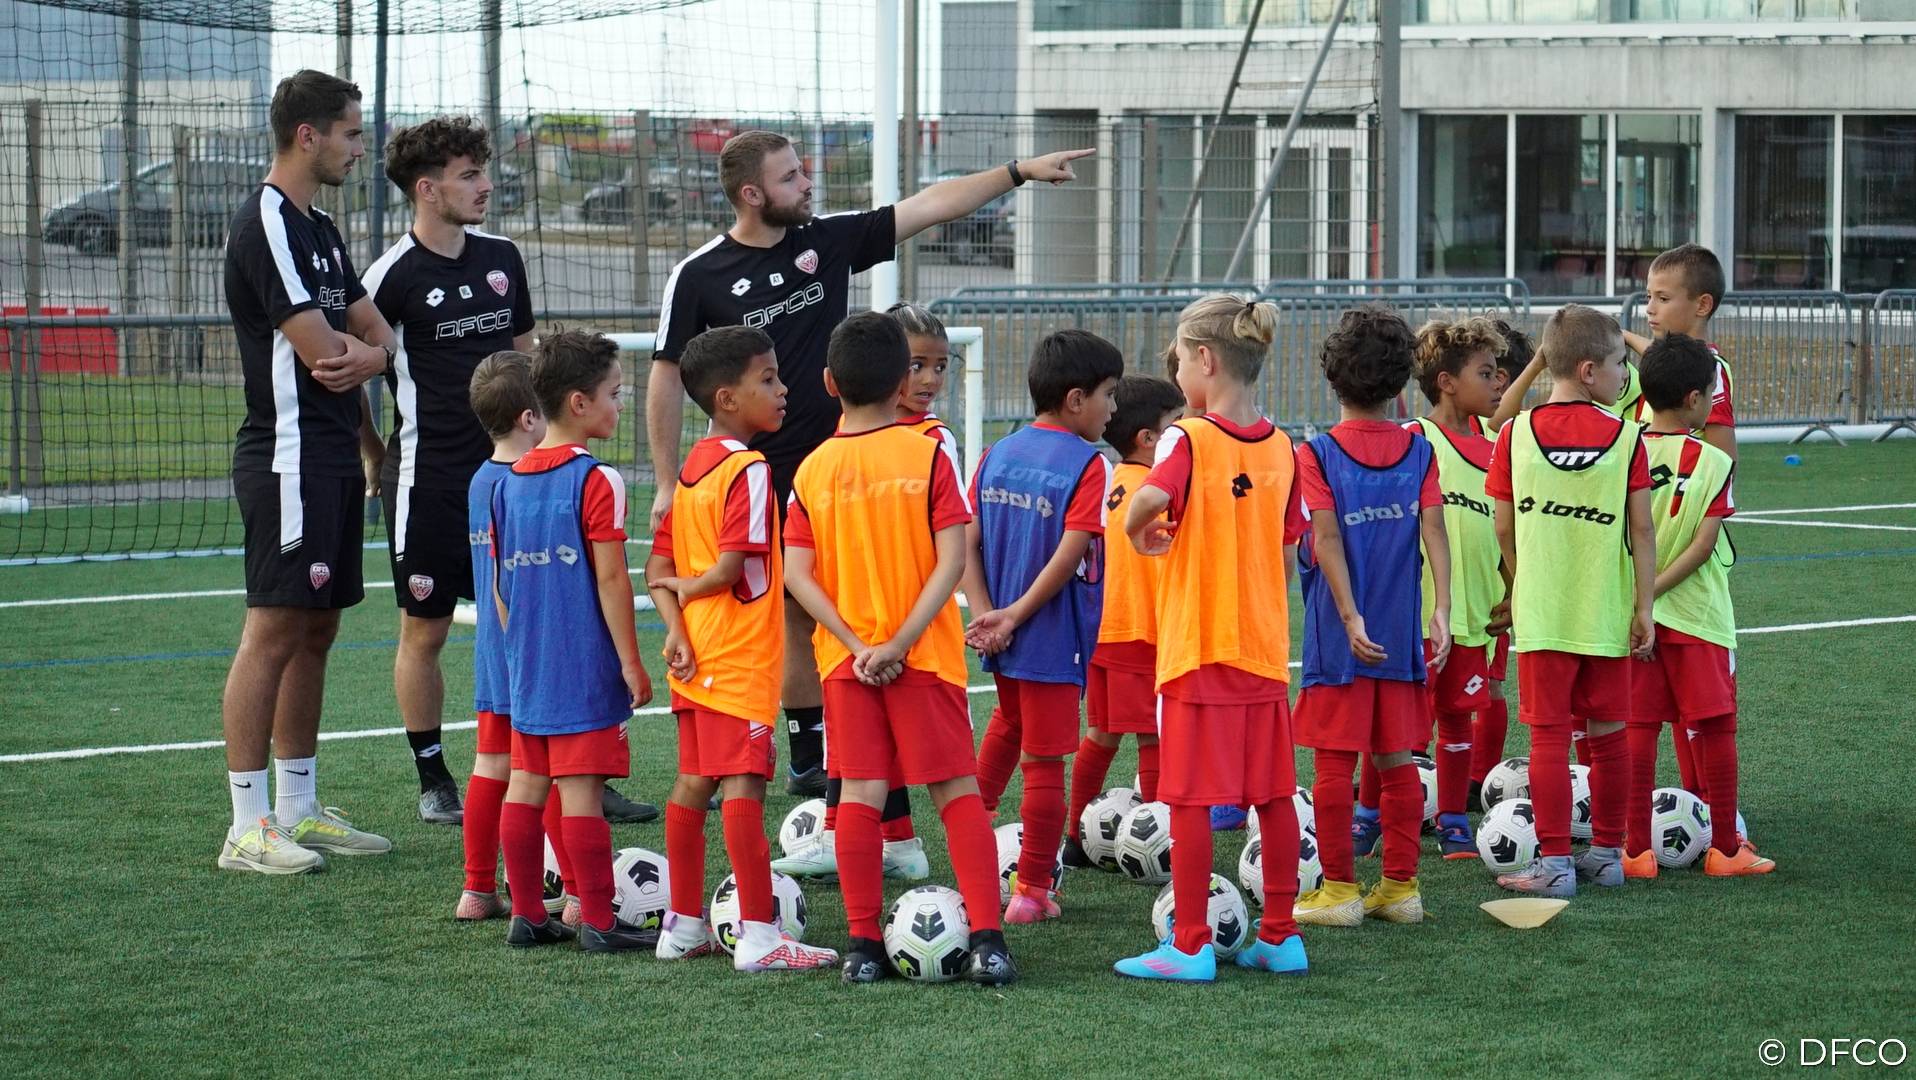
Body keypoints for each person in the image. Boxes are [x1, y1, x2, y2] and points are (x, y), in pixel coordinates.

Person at [647, 130, 1094, 795]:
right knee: (772, 615)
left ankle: (850, 759)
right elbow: (665, 374)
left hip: (841, 465)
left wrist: (1019, 172)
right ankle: (791, 756)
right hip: (755, 476)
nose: (807, 184)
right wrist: (664, 482)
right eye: (790, 177)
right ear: (751, 193)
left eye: (801, 171)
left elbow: (930, 206)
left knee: (848, 607)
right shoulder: (700, 273)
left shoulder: (825, 241)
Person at [782, 312, 1015, 986]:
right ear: (899, 382)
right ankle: (988, 940)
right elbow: (952, 561)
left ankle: (862, 948)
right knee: (955, 790)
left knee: (859, 794)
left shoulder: (812, 468)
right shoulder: (929, 453)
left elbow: (797, 574)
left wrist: (859, 644)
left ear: (830, 383)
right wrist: (901, 642)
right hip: (923, 658)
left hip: (847, 663)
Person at [217, 69, 394, 874]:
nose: (360, 148)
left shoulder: (318, 227)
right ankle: (245, 826)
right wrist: (368, 354)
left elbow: (373, 333)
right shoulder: (266, 223)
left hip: (332, 456)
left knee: (318, 627)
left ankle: (297, 808)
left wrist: (372, 369)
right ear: (308, 135)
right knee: (275, 629)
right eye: (351, 133)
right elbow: (326, 354)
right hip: (285, 458)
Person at [1113, 296, 1307, 983]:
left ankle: (1191, 944)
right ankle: (1281, 935)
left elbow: (1147, 499)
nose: (1177, 376)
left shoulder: (1187, 438)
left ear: (1205, 359)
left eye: (1178, 361)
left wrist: (1138, 531)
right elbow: (1289, 549)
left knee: (1190, 799)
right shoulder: (1285, 445)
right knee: (1273, 797)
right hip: (1264, 647)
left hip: (1198, 645)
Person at [646, 326, 841, 969]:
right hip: (737, 658)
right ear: (727, 398)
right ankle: (758, 934)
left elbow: (656, 569)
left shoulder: (689, 472)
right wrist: (693, 588)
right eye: (768, 379)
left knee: (692, 782)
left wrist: (677, 626)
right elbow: (730, 567)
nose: (783, 390)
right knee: (744, 787)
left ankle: (681, 925)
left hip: (695, 657)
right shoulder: (748, 470)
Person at [772, 303, 954, 881]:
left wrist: (891, 639)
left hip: (911, 640)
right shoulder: (838, 449)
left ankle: (870, 842)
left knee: (932, 775)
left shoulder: (932, 443)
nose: (928, 380)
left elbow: (954, 548)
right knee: (866, 753)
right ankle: (890, 841)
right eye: (917, 365)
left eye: (940, 367)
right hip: (861, 641)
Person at [491, 330, 656, 952]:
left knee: (527, 785)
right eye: (615, 393)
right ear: (579, 403)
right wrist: (631, 663)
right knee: (581, 791)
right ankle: (599, 921)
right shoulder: (597, 479)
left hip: (528, 663)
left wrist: (519, 651)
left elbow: (503, 586)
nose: (621, 404)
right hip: (580, 663)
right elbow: (611, 580)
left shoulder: (508, 480)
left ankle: (528, 915)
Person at [1488, 306, 1656, 899]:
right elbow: (1642, 530)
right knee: (1609, 737)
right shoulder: (1628, 437)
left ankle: (1556, 864)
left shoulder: (1514, 434)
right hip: (1605, 611)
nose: (1624, 375)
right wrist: (1643, 608)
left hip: (1543, 613)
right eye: (1619, 364)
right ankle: (1607, 855)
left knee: (1549, 740)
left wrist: (1522, 580)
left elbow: (1502, 525)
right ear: (1588, 370)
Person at [1290, 306, 1451, 928]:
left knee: (1335, 764)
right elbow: (1434, 531)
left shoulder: (1318, 453)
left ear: (1333, 379)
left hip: (1342, 639)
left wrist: (1350, 618)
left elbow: (1326, 538)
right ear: (1401, 383)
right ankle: (1401, 889)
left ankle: (1339, 891)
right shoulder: (1419, 450)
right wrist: (1441, 610)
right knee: (1396, 760)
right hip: (1400, 634)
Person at [964, 330, 1121, 923]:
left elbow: (967, 541)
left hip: (1001, 632)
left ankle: (970, 829)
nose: (1113, 407)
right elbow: (1070, 553)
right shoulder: (1089, 464)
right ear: (1076, 399)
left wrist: (988, 613)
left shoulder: (997, 453)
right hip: (1049, 636)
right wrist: (1014, 616)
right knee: (1044, 762)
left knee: (1008, 721)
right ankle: (1031, 889)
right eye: (1108, 394)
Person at [1625, 333, 1774, 878]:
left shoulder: (1623, 450)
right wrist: (1656, 593)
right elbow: (1704, 546)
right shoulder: (1713, 461)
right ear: (1693, 399)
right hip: (1698, 617)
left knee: (1638, 729)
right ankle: (1726, 850)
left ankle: (1635, 851)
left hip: (1633, 617)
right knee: (1715, 727)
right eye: (1712, 393)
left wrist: (1641, 599)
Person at [1063, 373, 1185, 868]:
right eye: (1176, 426)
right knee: (1153, 736)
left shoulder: (1109, 480)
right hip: (1141, 632)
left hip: (1101, 631)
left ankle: (1073, 837)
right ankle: (1161, 841)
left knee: (1101, 735)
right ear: (1148, 439)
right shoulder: (1156, 493)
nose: (1184, 436)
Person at [1405, 315, 1509, 858]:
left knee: (1457, 719)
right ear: (1446, 382)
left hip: (1477, 616)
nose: (1498, 382)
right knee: (1403, 727)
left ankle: (1450, 819)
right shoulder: (1415, 440)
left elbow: (1511, 529)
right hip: (1421, 614)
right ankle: (1378, 816)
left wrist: (1513, 589)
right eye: (1486, 373)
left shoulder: (1499, 446)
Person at [455, 351, 542, 921]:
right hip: (530, 651)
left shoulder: (480, 480)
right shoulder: (525, 484)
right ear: (530, 418)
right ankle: (573, 896)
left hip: (492, 651)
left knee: (491, 764)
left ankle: (477, 888)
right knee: (545, 773)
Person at [1470, 319, 1532, 810]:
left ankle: (1477, 781)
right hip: (1447, 581)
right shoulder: (1443, 432)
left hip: (1495, 582)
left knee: (1488, 684)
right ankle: (1418, 771)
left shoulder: (1516, 437)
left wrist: (1515, 587)